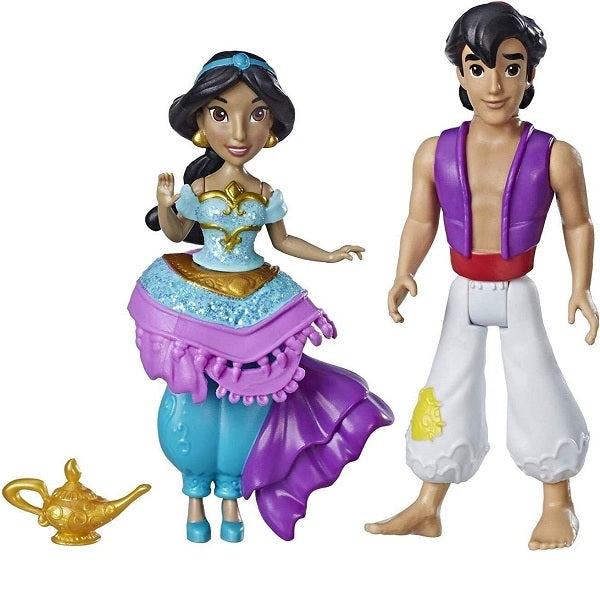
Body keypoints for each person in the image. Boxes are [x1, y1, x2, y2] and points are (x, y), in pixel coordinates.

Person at [129, 51, 393, 544]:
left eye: (256, 114)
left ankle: (232, 490)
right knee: (194, 390)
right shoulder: (198, 188)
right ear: (200, 123)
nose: (239, 131)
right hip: (197, 294)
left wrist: (330, 254)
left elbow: (283, 241)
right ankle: (194, 491)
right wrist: (167, 206)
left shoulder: (265, 192)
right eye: (221, 113)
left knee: (250, 396)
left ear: (270, 126)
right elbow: (177, 233)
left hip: (257, 297)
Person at [365, 3, 597, 550]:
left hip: (517, 290)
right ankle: (428, 503)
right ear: (460, 73)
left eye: (511, 68)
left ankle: (558, 501)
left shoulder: (556, 155)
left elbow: (579, 223)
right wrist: (403, 271)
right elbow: (421, 220)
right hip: (462, 289)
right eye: (478, 68)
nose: (494, 85)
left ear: (531, 73)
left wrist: (581, 287)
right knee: (444, 386)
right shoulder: (434, 152)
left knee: (536, 382)